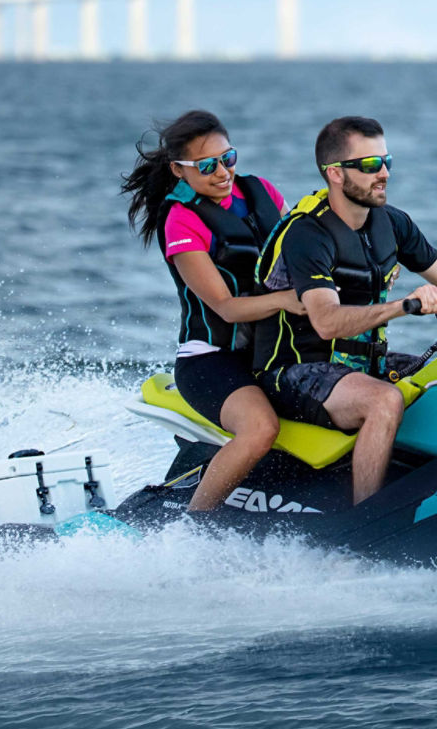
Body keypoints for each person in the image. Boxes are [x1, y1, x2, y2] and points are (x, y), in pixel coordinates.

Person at [255, 116, 437, 506]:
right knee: (384, 400)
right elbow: (325, 322)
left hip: (363, 364)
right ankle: (364, 527)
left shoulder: (391, 223)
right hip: (296, 370)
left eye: (387, 161)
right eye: (371, 165)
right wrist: (403, 306)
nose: (385, 174)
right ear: (336, 174)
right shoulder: (308, 234)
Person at [121, 110, 304, 511]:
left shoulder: (263, 193)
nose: (222, 172)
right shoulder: (181, 221)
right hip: (211, 361)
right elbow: (225, 307)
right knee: (260, 429)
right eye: (206, 166)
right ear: (178, 170)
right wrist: (287, 300)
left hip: (272, 353)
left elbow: (305, 254)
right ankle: (193, 528)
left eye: (229, 158)